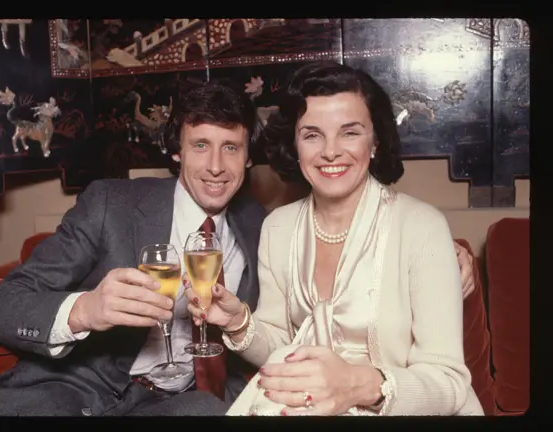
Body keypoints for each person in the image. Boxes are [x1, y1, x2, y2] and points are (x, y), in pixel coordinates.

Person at [185, 61, 484, 416]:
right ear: (295, 145)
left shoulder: (422, 227)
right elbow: (281, 348)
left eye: (350, 132)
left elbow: (448, 382)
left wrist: (354, 387)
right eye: (312, 134)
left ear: (375, 142)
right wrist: (238, 323)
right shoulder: (278, 227)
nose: (330, 151)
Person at [0, 79, 268, 416]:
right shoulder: (110, 204)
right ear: (176, 151)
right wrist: (86, 310)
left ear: (247, 158)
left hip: (177, 404)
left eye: (231, 147)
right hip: (73, 390)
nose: (216, 166)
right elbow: (2, 307)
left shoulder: (260, 225)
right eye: (200, 145)